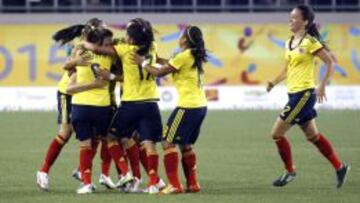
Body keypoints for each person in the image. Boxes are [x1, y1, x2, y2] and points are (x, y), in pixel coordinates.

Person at [266, 5, 350, 188]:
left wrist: (322, 86)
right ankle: (340, 167)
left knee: (276, 133)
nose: (291, 20)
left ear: (305, 22)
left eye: (294, 18)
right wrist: (273, 82)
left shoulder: (310, 41)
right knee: (313, 136)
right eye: (290, 17)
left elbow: (330, 63)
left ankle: (290, 172)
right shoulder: (288, 42)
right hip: (293, 95)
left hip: (304, 95)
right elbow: (288, 69)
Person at [81, 18, 165, 194]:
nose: (125, 37)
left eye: (127, 34)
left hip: (132, 103)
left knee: (112, 137)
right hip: (151, 102)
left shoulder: (125, 50)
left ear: (132, 39)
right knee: (149, 143)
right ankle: (153, 183)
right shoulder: (152, 48)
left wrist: (83, 42)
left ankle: (128, 175)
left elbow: (97, 49)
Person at [134, 25, 208, 194]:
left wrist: (143, 62)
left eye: (182, 35)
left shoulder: (183, 56)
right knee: (185, 144)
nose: (179, 37)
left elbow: (159, 74)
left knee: (167, 141)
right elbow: (172, 64)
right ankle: (193, 184)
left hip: (187, 106)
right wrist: (158, 59)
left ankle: (174, 185)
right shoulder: (192, 55)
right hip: (200, 106)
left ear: (185, 39)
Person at [36, 18, 104, 191]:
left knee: (95, 134)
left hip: (86, 94)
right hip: (68, 92)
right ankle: (43, 171)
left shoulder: (99, 47)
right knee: (66, 132)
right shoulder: (80, 47)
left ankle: (83, 171)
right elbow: (69, 68)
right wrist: (77, 63)